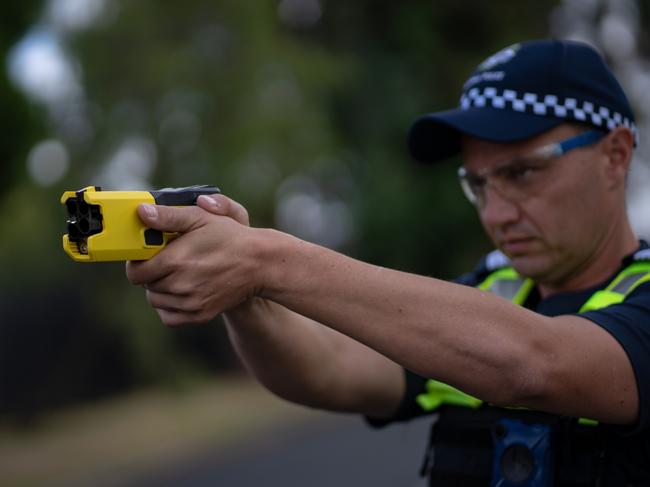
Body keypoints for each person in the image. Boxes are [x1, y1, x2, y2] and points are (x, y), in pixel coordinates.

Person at [125, 39, 650, 485]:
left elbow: (534, 365)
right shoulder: (496, 290)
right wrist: (245, 296)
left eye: (523, 173)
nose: (496, 213)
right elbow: (328, 373)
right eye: (478, 183)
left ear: (615, 156)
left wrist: (267, 259)